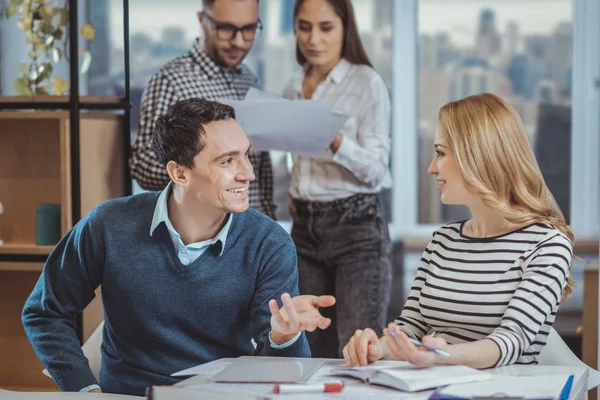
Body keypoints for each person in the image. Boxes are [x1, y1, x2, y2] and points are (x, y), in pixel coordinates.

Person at [22, 98, 335, 396]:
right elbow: (44, 312)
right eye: (227, 160)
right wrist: (84, 389)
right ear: (179, 173)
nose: (248, 173)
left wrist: (285, 337)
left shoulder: (269, 243)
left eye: (245, 155)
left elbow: (282, 375)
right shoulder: (108, 224)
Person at [342, 93, 575, 370]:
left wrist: (444, 356)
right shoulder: (443, 240)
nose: (431, 167)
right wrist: (375, 347)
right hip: (433, 387)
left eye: (440, 153)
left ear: (478, 156)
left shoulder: (547, 245)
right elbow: (411, 327)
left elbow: (512, 341)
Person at [283, 0, 392, 358]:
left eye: (326, 28)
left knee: (357, 349)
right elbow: (296, 157)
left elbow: (378, 170)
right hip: (304, 228)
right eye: (304, 26)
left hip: (357, 229)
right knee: (305, 348)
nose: (313, 39)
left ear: (346, 28)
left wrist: (336, 140)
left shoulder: (367, 83)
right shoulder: (293, 87)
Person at [130, 0, 276, 219]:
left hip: (252, 231)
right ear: (202, 20)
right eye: (226, 28)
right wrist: (199, 163)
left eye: (249, 29)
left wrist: (269, 221)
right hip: (204, 234)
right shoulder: (172, 81)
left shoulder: (248, 80)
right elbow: (142, 167)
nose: (239, 41)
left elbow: (261, 169)